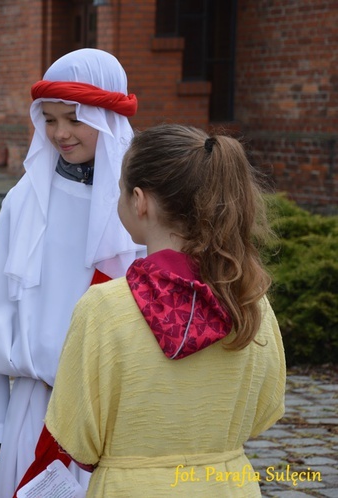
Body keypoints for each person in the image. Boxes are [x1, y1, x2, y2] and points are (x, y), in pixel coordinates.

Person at [44, 124, 286, 496]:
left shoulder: (105, 309)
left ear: (139, 200)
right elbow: (265, 409)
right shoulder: (250, 300)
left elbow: (79, 438)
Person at [0, 48, 146, 498]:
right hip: (37, 409)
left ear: (107, 119)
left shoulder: (142, 206)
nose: (60, 133)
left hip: (118, 412)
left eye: (74, 120)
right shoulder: (24, 201)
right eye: (50, 119)